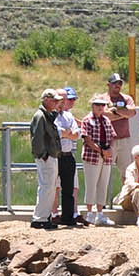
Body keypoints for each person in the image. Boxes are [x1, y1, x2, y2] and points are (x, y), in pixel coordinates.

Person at [80, 94, 118, 226]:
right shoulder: (87, 120)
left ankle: (100, 213)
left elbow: (113, 137)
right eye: (98, 105)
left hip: (106, 157)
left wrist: (109, 151)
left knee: (103, 184)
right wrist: (101, 151)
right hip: (92, 156)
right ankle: (90, 213)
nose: (100, 107)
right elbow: (87, 139)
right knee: (91, 184)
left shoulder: (106, 120)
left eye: (103, 105)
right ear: (92, 106)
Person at [29, 88, 63, 230]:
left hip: (51, 156)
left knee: (49, 187)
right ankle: (40, 218)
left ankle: (44, 216)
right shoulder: (40, 116)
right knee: (46, 187)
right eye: (54, 100)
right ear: (46, 100)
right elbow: (37, 138)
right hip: (46, 157)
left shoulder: (46, 115)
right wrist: (43, 155)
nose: (57, 103)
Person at [103, 73, 139, 182]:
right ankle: (102, 199)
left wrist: (115, 111)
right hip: (108, 141)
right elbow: (104, 115)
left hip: (124, 140)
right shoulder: (102, 99)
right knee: (104, 173)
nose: (117, 85)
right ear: (108, 84)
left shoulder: (127, 98)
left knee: (127, 173)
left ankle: (126, 198)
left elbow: (132, 112)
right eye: (114, 83)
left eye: (119, 83)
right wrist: (123, 113)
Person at [55, 87, 83, 227]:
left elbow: (77, 133)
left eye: (64, 99)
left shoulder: (68, 116)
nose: (62, 102)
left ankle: (67, 217)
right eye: (60, 99)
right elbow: (56, 132)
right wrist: (67, 133)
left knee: (68, 188)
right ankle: (50, 215)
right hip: (55, 156)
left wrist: (68, 133)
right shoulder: (50, 115)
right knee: (51, 187)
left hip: (68, 155)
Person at [115, 145, 139, 225]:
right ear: (136, 157)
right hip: (129, 200)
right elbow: (131, 184)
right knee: (136, 191)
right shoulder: (130, 169)